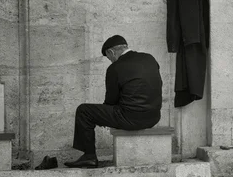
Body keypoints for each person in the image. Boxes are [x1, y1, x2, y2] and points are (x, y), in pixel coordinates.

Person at [64, 35, 163, 168]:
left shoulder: (115, 68)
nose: (110, 60)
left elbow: (111, 100)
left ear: (111, 52)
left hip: (130, 118)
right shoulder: (149, 58)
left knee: (84, 111)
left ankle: (89, 156)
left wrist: (103, 117)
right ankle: (88, 156)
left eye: (108, 57)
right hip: (153, 117)